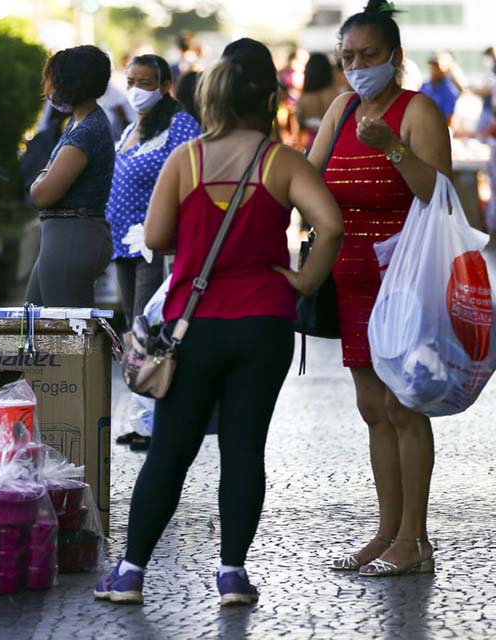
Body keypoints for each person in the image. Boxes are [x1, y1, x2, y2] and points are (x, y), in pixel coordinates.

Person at [95, 38, 343, 606]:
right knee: (244, 448)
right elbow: (329, 225)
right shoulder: (282, 162)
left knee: (170, 450)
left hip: (194, 325)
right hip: (264, 324)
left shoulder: (189, 159)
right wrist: (303, 282)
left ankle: (130, 573)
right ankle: (232, 575)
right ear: (270, 97)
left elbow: (155, 238)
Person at [310, 0, 451, 577]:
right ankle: (386, 531)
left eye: (369, 55)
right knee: (373, 408)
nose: (357, 66)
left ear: (394, 58)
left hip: (405, 280)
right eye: (348, 56)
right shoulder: (341, 108)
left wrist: (391, 148)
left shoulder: (417, 111)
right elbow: (307, 176)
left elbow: (439, 196)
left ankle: (414, 541)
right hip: (351, 279)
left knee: (403, 406)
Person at [106, 54, 201, 451]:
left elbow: (193, 176)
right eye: (130, 81)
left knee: (151, 326)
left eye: (145, 82)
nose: (135, 90)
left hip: (155, 243)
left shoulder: (180, 125)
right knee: (134, 328)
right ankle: (140, 415)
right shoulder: (133, 127)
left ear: (164, 85)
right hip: (123, 244)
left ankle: (154, 418)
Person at [26, 45, 115, 307]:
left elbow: (43, 194)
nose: (49, 89)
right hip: (63, 234)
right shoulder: (79, 123)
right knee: (36, 324)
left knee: (66, 334)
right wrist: (45, 175)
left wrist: (40, 178)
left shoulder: (86, 130)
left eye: (53, 80)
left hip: (72, 234)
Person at [297, 53, 344, 150]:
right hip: (335, 146)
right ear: (328, 71)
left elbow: (299, 126)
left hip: (311, 147)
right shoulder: (338, 95)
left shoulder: (303, 99)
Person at [420, 52, 461, 128]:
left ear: (445, 69)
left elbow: (449, 121)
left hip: (439, 130)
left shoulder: (450, 91)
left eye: (437, 67)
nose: (433, 70)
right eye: (432, 66)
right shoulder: (424, 86)